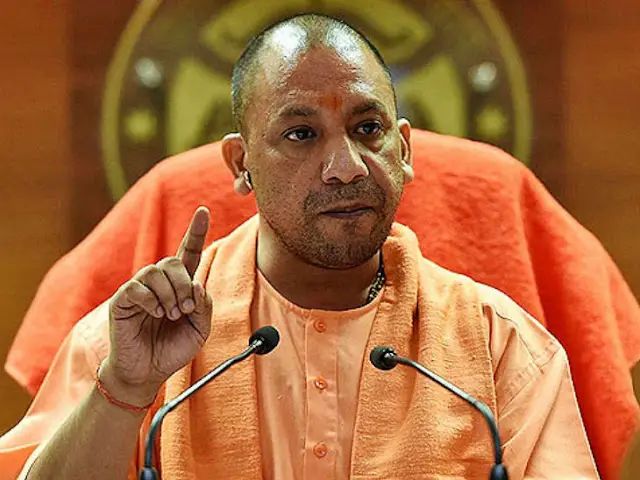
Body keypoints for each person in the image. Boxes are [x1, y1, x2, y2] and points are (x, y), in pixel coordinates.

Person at [0, 14, 601, 480]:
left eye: (368, 129)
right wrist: (125, 392)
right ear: (241, 164)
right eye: (301, 134)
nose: (345, 166)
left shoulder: (500, 347)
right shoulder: (138, 340)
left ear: (404, 150)